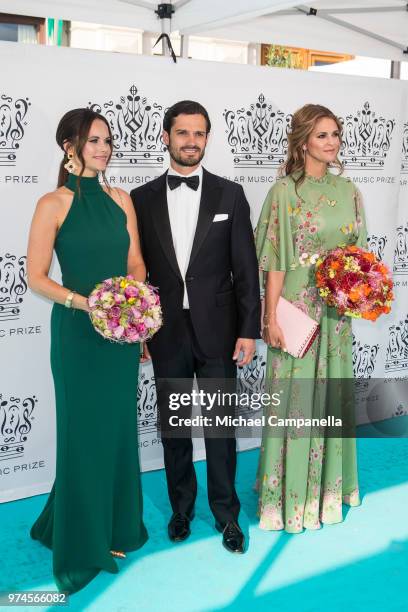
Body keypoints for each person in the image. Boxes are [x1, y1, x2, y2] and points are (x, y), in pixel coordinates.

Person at [27, 108, 148, 593]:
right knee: (81, 433)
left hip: (120, 334)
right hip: (79, 334)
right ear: (69, 146)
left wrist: (132, 308)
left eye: (107, 140)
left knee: (117, 431)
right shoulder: (52, 203)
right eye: (93, 140)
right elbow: (35, 277)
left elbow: (135, 262)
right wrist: (90, 304)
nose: (103, 148)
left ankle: (116, 527)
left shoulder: (121, 199)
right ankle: (81, 541)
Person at [131, 100, 260, 553]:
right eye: (182, 133)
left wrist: (249, 329)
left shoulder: (230, 194)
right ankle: (181, 508)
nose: (191, 141)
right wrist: (141, 328)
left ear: (207, 137)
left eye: (199, 133)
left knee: (221, 429)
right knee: (175, 427)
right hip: (166, 331)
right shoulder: (141, 198)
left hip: (221, 331)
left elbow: (246, 268)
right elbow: (137, 272)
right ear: (165, 137)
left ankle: (227, 516)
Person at [255, 104, 367, 533]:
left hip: (337, 316)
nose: (332, 142)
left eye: (336, 134)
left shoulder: (350, 190)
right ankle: (288, 499)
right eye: (322, 135)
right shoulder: (285, 191)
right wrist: (270, 317)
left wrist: (360, 289)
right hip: (298, 312)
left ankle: (329, 494)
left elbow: (359, 254)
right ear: (303, 141)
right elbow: (275, 260)